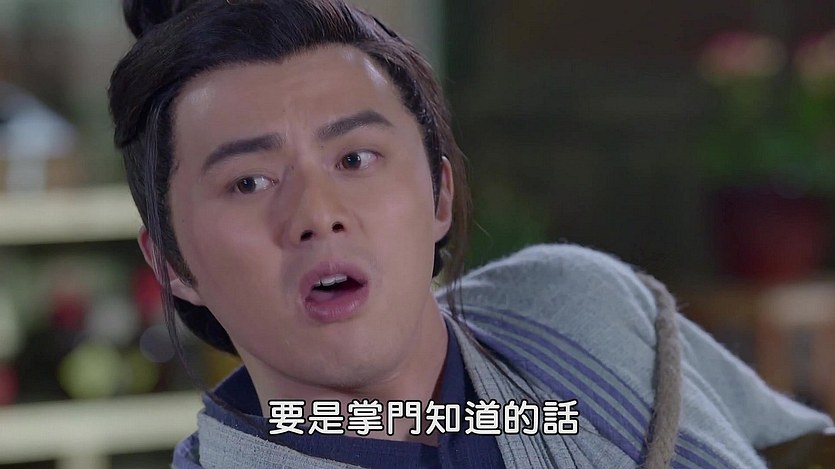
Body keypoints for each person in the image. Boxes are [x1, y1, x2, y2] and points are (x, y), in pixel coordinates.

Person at [108, 1, 833, 467]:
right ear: (171, 263)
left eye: (355, 158)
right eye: (248, 182)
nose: (317, 214)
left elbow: (794, 446)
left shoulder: (577, 310)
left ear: (440, 194)